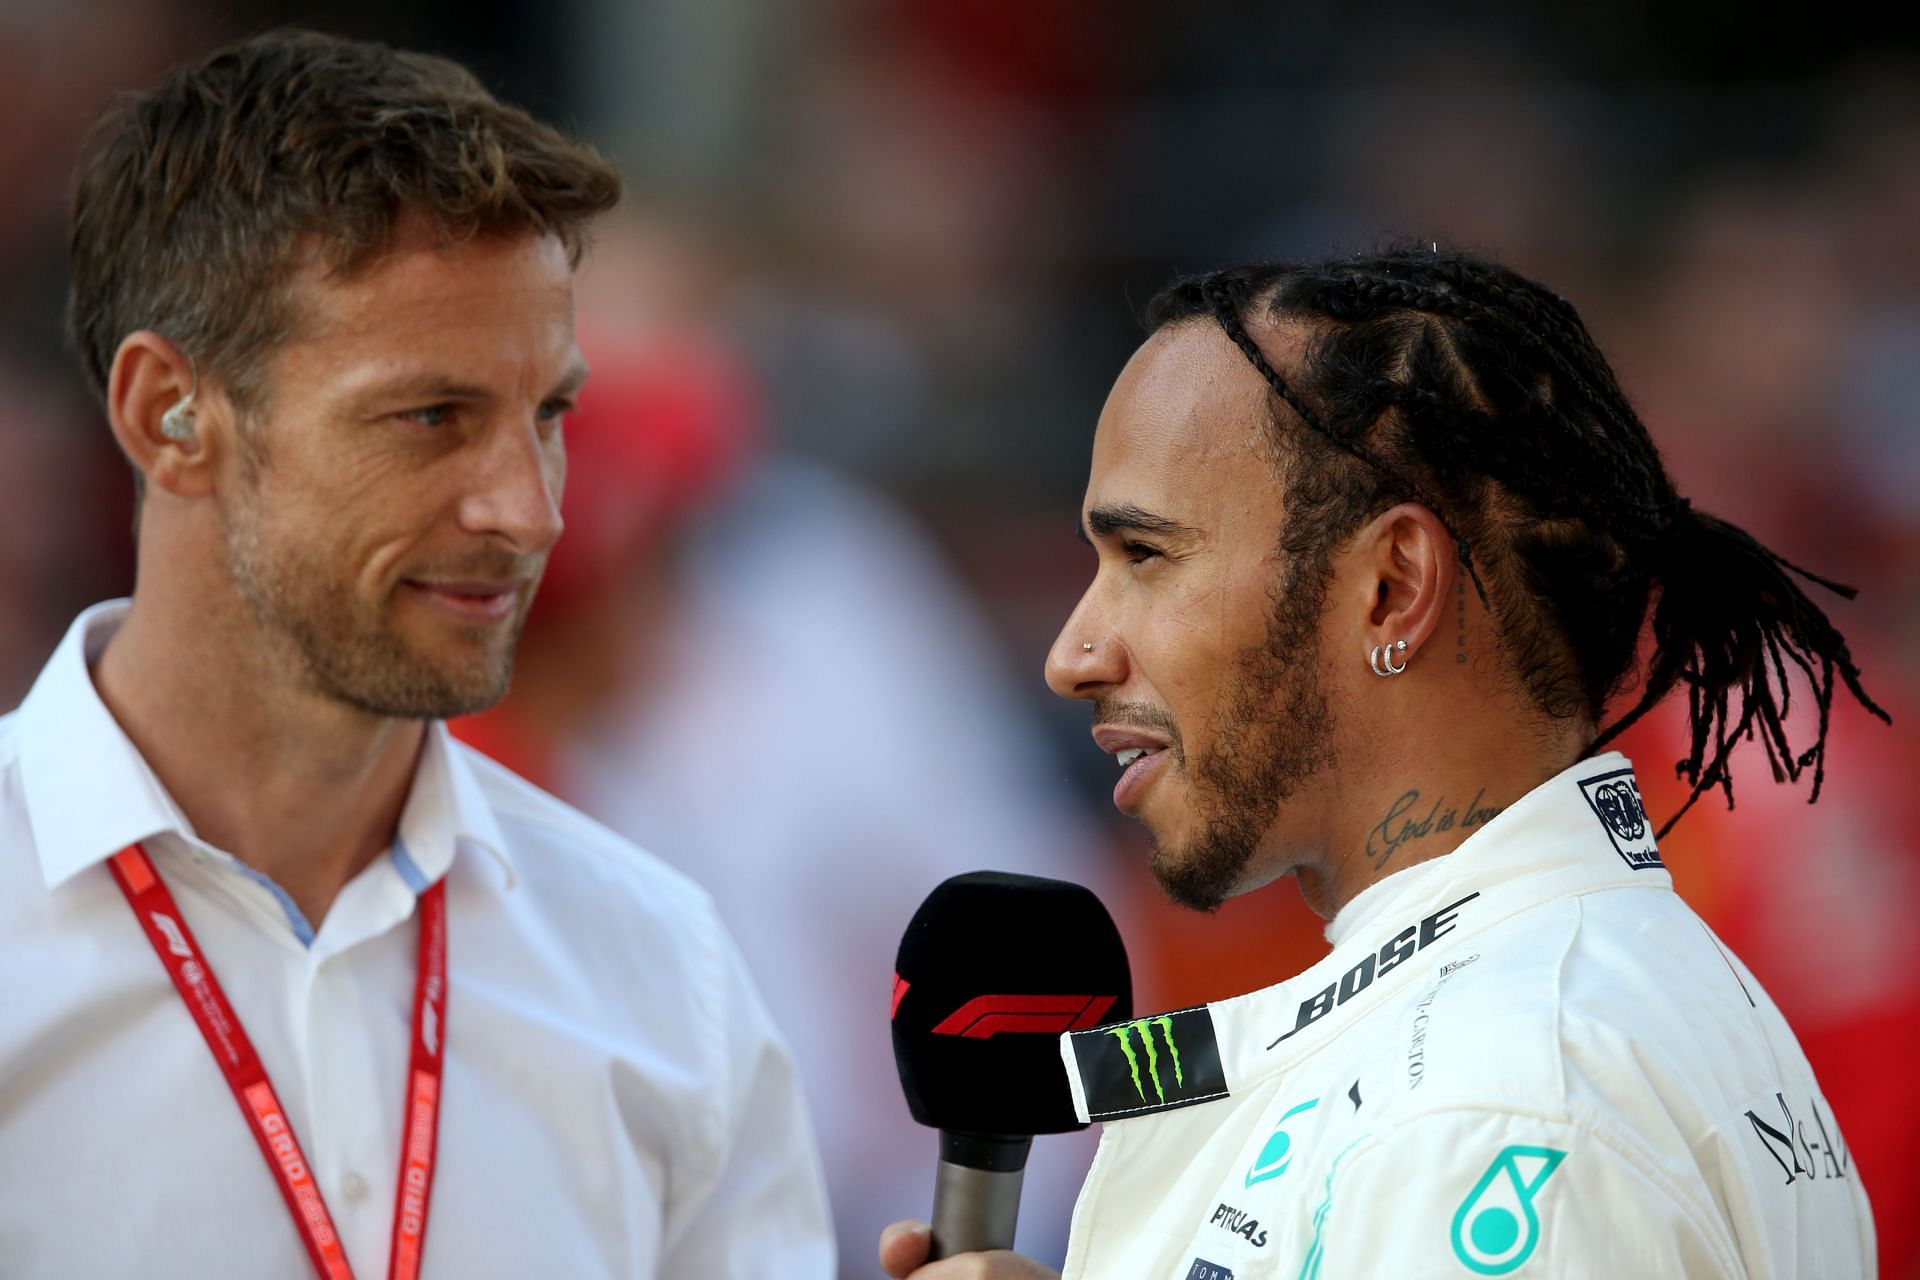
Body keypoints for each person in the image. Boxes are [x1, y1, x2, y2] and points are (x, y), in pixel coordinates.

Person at [880, 247, 1888, 1278]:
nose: (1072, 655)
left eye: (1146, 556)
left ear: (1393, 587)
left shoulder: (1487, 1102)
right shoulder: (1550, 1022)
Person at [0, 30, 833, 1277]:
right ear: (167, 417)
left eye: (547, 413)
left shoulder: (663, 971)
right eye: (431, 417)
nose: (532, 509)